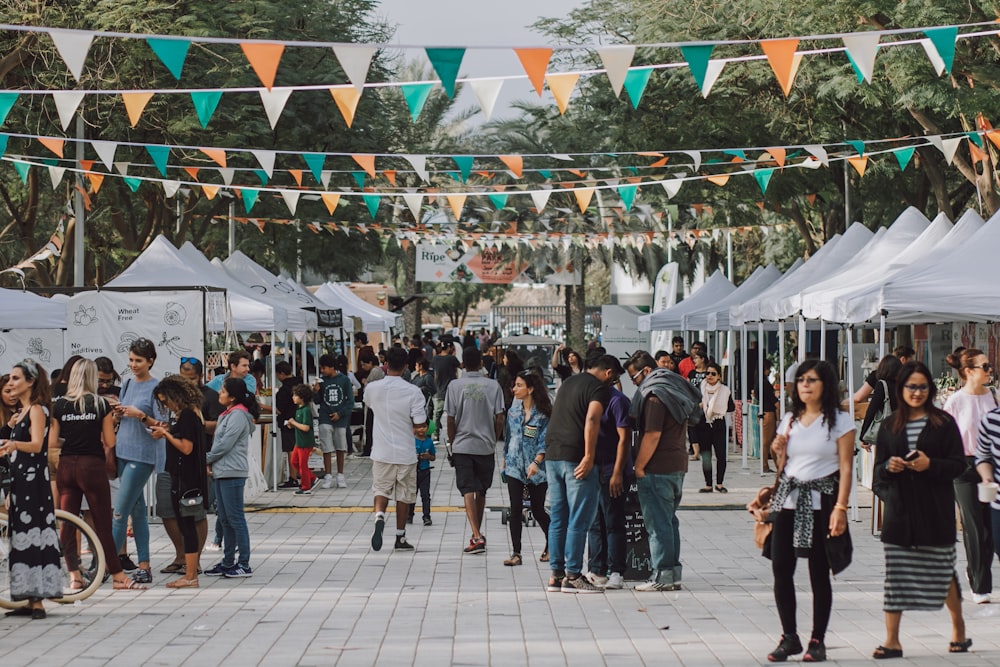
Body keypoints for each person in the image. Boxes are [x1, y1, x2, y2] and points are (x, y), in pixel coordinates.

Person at [871, 361, 970, 659]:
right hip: (900, 512)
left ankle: (959, 629)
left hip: (934, 509)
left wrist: (931, 465)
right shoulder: (889, 426)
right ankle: (892, 640)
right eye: (911, 387)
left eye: (922, 387)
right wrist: (890, 468)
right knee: (896, 575)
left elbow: (959, 464)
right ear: (901, 389)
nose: (916, 392)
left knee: (941, 570)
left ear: (930, 389)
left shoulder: (944, 423)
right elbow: (877, 475)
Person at [764, 360, 854, 663]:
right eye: (801, 380)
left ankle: (818, 639)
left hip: (821, 504)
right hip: (787, 503)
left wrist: (841, 507)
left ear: (825, 385)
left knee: (818, 573)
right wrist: (778, 450)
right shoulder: (789, 419)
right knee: (781, 569)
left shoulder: (840, 422)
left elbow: (845, 466)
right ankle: (789, 636)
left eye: (812, 380)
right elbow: (784, 467)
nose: (805, 385)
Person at [49, 359, 145, 592]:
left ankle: (74, 575)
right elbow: (110, 442)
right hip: (92, 466)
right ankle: (118, 576)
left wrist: (71, 439)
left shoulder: (59, 405)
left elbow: (52, 442)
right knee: (102, 523)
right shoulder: (101, 404)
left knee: (68, 523)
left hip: (67, 465)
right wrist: (109, 423)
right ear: (93, 377)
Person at [545, 354, 623, 594]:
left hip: (553, 455)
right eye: (616, 377)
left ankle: (556, 575)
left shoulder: (569, 382)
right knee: (580, 517)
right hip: (576, 458)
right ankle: (573, 575)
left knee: (559, 516)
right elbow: (591, 418)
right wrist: (589, 457)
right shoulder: (599, 388)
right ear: (609, 373)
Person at [626, 351, 701, 592]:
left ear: (646, 371)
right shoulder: (674, 389)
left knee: (658, 524)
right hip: (676, 464)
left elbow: (652, 434)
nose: (634, 384)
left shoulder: (655, 396)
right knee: (669, 521)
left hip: (657, 467)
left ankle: (663, 575)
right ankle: (673, 574)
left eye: (634, 378)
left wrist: (639, 465)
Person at [0, 360, 60, 618]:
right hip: (21, 482)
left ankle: (37, 602)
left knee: (34, 535)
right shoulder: (23, 412)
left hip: (34, 484)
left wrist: (13, 446)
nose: (10, 383)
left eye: (15, 378)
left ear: (30, 382)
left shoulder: (37, 410)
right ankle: (26, 597)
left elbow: (37, 446)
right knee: (21, 538)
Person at [112, 337, 168, 585]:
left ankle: (110, 565)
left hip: (142, 455)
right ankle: (143, 564)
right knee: (137, 511)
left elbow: (163, 425)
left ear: (151, 361)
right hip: (123, 451)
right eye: (131, 360)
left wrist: (141, 416)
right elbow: (123, 419)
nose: (134, 365)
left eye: (139, 360)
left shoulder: (158, 388)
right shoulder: (126, 384)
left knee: (119, 512)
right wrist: (119, 413)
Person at [942, 347, 996, 604]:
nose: (989, 370)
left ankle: (976, 570)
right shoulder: (955, 401)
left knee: (990, 528)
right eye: (984, 367)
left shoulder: (994, 396)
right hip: (963, 467)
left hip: (991, 466)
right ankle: (980, 584)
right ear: (968, 371)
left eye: (989, 366)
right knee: (973, 525)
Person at [364, 347, 427, 552]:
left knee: (381, 489)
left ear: (386, 365)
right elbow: (419, 426)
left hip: (381, 451)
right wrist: (420, 432)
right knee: (404, 495)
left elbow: (370, 405)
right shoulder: (414, 392)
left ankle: (379, 516)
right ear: (406, 367)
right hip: (405, 453)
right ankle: (400, 536)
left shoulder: (372, 388)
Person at [149, 377, 208, 589]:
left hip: (186, 478)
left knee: (187, 524)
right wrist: (168, 430)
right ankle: (190, 573)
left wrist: (166, 434)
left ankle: (191, 575)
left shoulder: (188, 416)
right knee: (185, 524)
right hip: (181, 476)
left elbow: (186, 448)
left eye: (166, 401)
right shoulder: (185, 416)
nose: (166, 406)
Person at [160, 357, 218, 571]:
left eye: (191, 379)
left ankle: (192, 567)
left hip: (194, 467)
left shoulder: (193, 410)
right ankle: (184, 560)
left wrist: (170, 432)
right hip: (174, 467)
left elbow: (187, 446)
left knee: (193, 516)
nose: (188, 384)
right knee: (173, 513)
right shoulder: (182, 412)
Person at [446, 347, 505, 554]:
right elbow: (499, 417)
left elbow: (450, 418)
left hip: (462, 445)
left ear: (463, 363)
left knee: (467, 490)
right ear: (481, 363)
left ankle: (476, 535)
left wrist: (452, 443)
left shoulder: (454, 386)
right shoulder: (493, 386)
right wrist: (494, 438)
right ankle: (476, 534)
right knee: (481, 490)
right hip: (485, 446)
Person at [204, 377, 258, 580]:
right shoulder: (227, 414)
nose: (219, 394)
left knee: (236, 518)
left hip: (232, 472)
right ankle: (228, 562)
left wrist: (206, 459)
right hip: (222, 471)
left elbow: (225, 444)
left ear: (233, 397)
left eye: (223, 391)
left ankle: (243, 563)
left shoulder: (237, 415)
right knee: (225, 518)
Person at [586, 374, 632, 589]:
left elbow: (625, 438)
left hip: (611, 469)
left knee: (613, 521)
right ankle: (597, 569)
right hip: (592, 470)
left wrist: (617, 472)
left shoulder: (618, 401)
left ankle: (616, 571)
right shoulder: (590, 400)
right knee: (595, 523)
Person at [502, 370, 552, 566]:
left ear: (530, 389)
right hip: (514, 466)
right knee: (515, 509)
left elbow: (544, 441)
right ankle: (516, 553)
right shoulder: (513, 412)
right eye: (515, 385)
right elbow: (509, 437)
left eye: (519, 385)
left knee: (538, 509)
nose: (514, 389)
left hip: (537, 470)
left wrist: (536, 462)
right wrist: (506, 458)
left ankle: (552, 544)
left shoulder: (543, 414)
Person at [315, 354, 355, 489]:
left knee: (340, 447)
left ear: (332, 367)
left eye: (324, 368)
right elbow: (317, 400)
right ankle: (327, 475)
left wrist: (340, 413)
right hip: (325, 417)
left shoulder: (344, 380)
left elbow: (350, 402)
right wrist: (315, 391)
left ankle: (340, 475)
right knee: (326, 447)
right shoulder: (321, 381)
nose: (322, 371)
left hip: (341, 419)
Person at [697, 361, 733, 493]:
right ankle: (708, 484)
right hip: (704, 424)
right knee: (706, 456)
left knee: (721, 456)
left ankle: (719, 483)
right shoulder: (700, 388)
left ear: (719, 376)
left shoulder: (725, 390)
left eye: (713, 374)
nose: (710, 376)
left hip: (718, 423)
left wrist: (719, 406)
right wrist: (701, 405)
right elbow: (694, 404)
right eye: (707, 373)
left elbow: (731, 406)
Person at [857, 355, 902, 451]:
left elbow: (871, 410)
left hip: (887, 432)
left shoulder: (882, 385)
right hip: (902, 431)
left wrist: (863, 435)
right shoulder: (902, 385)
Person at [274, 361, 301, 489]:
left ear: (281, 374)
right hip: (301, 420)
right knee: (300, 449)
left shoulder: (283, 390)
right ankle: (301, 474)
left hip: (288, 423)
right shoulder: (300, 383)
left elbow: (280, 409)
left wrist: (263, 406)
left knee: (291, 450)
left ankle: (293, 477)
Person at [286, 384, 316, 495]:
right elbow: (300, 425)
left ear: (302, 397)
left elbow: (306, 427)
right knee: (294, 461)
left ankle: (305, 487)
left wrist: (294, 423)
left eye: (295, 395)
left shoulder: (306, 410)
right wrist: (292, 425)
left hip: (305, 442)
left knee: (303, 465)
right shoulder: (299, 409)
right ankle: (311, 478)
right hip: (299, 441)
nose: (293, 397)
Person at [431, 341, 460, 441]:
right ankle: (450, 436)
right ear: (448, 348)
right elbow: (460, 366)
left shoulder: (435, 359)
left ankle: (435, 435)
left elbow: (434, 374)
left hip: (439, 389)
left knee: (436, 414)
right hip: (451, 391)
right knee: (452, 414)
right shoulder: (452, 358)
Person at [411, 423, 436, 526]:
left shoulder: (429, 442)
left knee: (425, 495)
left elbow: (433, 457)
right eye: (418, 427)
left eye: (424, 427)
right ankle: (409, 514)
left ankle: (426, 516)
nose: (421, 429)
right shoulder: (411, 441)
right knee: (412, 494)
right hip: (413, 472)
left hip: (425, 471)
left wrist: (428, 456)